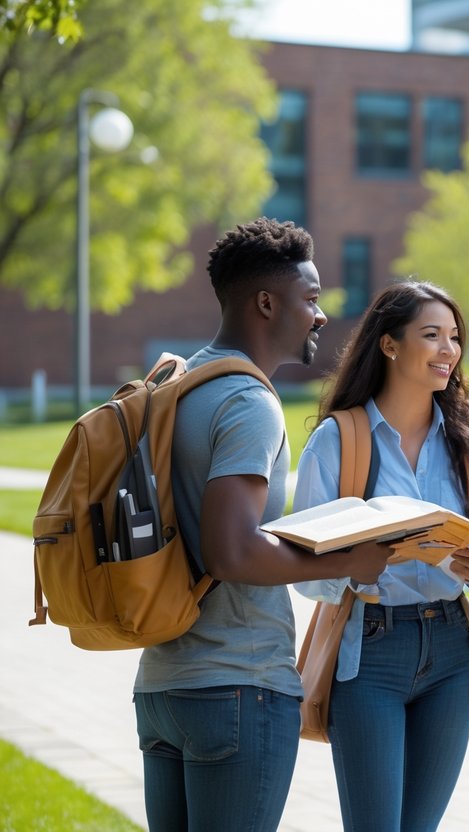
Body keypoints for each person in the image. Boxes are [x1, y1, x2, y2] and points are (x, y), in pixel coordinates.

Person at [132, 217, 393, 832]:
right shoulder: (248, 402)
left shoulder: (175, 386)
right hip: (238, 685)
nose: (321, 314)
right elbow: (232, 552)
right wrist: (347, 562)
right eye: (311, 297)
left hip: (164, 686)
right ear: (266, 303)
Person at [293, 280, 469, 832]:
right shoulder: (338, 441)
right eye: (431, 335)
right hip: (370, 653)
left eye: (454, 337)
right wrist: (354, 563)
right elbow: (303, 572)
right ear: (389, 344)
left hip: (452, 651)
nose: (448, 351)